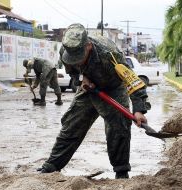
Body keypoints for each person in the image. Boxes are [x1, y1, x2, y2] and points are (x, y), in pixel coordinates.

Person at [38, 23, 151, 179]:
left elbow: (133, 81)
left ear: (89, 46)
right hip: (89, 88)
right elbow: (73, 72)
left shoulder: (110, 55)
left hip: (113, 88)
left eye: (79, 57)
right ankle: (51, 167)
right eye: (73, 58)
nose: (76, 61)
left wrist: (139, 109)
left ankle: (121, 172)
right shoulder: (66, 51)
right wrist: (82, 78)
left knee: (119, 128)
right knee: (71, 125)